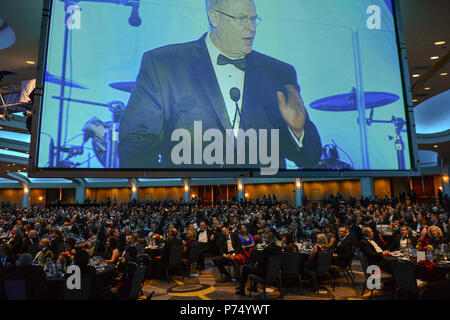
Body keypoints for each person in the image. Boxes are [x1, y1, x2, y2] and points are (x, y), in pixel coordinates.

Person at [118, 0, 322, 169]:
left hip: (263, 203)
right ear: (215, 17)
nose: (251, 28)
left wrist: (297, 131)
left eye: (253, 19)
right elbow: (136, 142)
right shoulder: (164, 64)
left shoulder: (278, 73)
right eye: (242, 19)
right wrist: (160, 197)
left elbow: (310, 158)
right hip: (189, 203)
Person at [236, 231, 281, 296]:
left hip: (265, 274)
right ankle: (254, 287)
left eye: (265, 238)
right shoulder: (279, 248)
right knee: (256, 266)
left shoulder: (267, 250)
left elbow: (261, 265)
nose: (265, 239)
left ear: (268, 239)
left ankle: (241, 291)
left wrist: (256, 264)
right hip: (274, 272)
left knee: (246, 268)